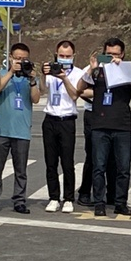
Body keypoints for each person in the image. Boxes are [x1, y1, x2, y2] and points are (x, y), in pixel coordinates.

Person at [75, 38, 131, 217]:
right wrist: (91, 68)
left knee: (123, 167)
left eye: (116, 54)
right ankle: (99, 203)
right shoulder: (97, 72)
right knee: (99, 166)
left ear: (122, 54)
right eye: (109, 54)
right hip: (100, 125)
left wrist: (123, 68)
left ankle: (120, 202)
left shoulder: (127, 70)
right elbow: (79, 88)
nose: (112, 57)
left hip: (121, 125)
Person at [0, 42, 40, 215]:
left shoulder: (30, 77)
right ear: (10, 58)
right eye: (17, 58)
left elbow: (36, 99)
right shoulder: (0, 73)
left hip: (21, 131)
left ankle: (19, 200)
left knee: (21, 170)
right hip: (1, 130)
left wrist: (32, 80)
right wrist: (10, 71)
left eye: (24, 59)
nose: (21, 62)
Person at [40, 41, 83, 213]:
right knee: (50, 161)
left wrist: (64, 78)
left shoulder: (78, 73)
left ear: (73, 56)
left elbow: (74, 95)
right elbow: (42, 91)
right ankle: (53, 197)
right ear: (56, 54)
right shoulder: (51, 71)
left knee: (67, 161)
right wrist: (43, 75)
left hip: (67, 120)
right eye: (61, 55)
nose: (64, 59)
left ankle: (68, 198)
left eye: (67, 56)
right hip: (50, 119)